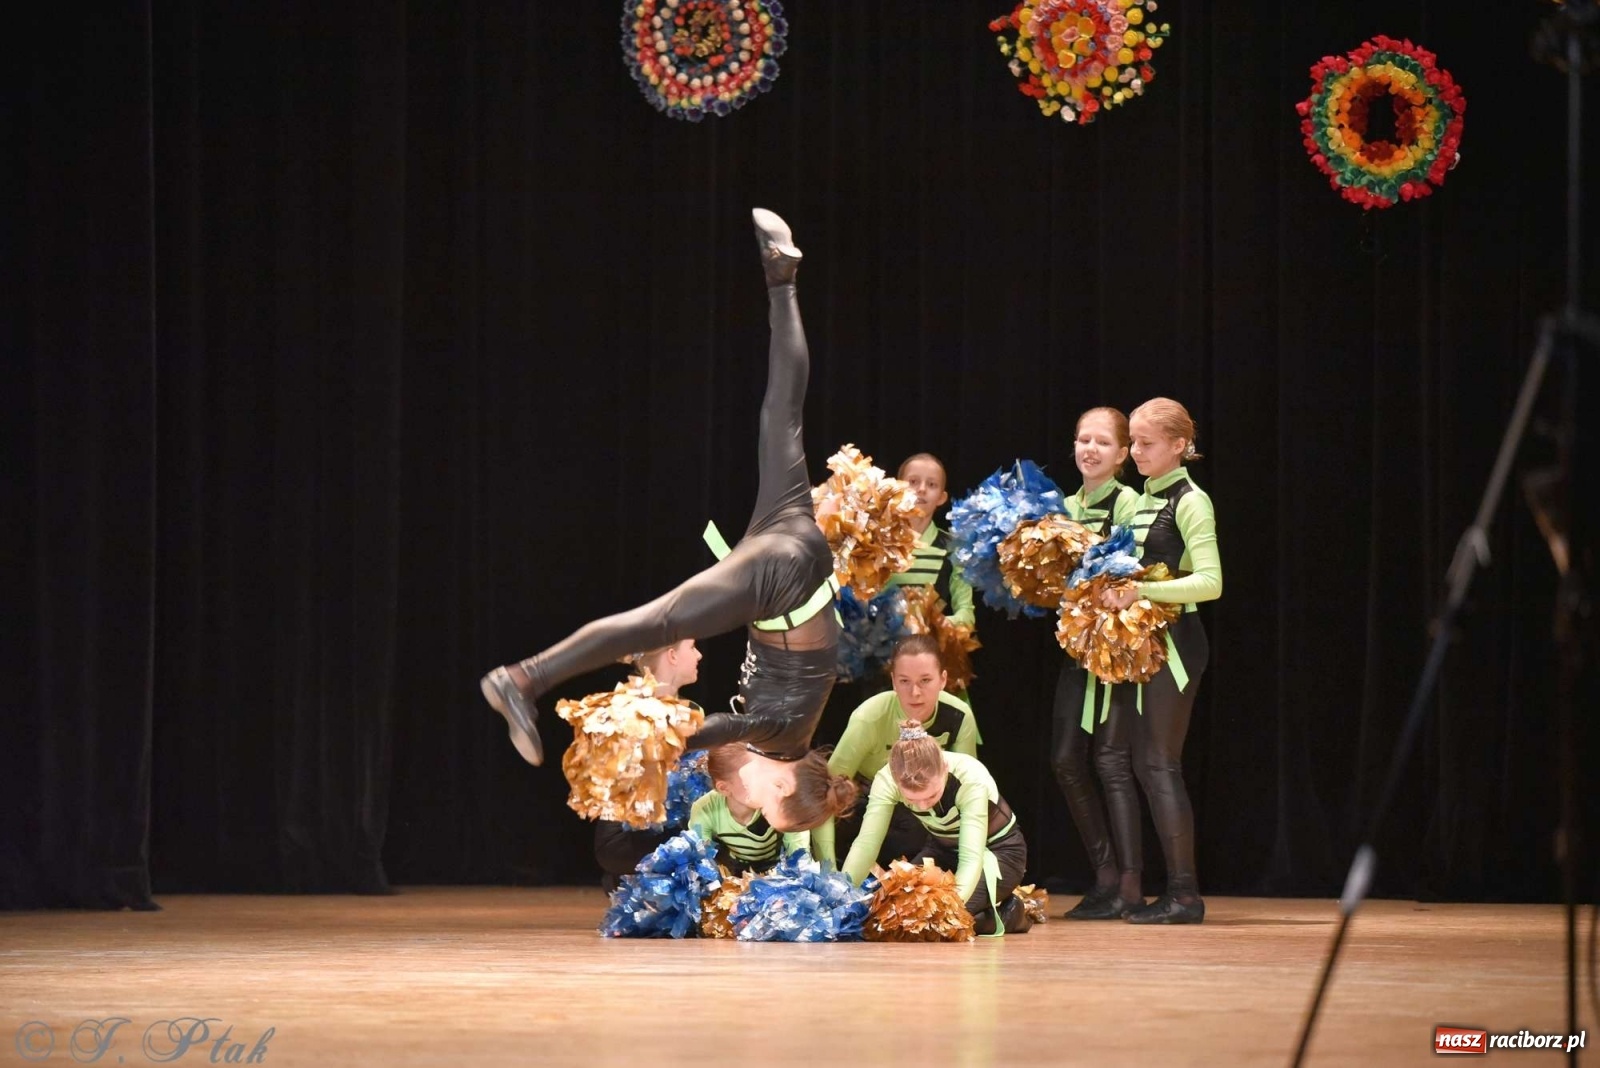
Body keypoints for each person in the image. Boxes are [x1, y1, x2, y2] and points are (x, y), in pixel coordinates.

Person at [478, 209, 851, 832]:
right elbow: (704, 729)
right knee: (657, 620)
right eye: (764, 806)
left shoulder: (789, 735)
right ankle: (521, 679)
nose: (749, 805)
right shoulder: (785, 734)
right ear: (785, 780)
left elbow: (717, 733)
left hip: (793, 551)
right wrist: (648, 751)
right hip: (783, 579)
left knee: (781, 413)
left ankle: (781, 277)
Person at [1097, 397, 1221, 924]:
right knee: (1134, 763)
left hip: (1177, 647)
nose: (1138, 451)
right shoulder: (1143, 498)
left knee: (1158, 764)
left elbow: (1211, 582)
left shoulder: (1192, 500)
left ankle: (1185, 895)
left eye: (1147, 444)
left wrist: (1143, 593)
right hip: (1143, 644)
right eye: (1136, 442)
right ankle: (1147, 889)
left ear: (1178, 446)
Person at [1049, 407, 1145, 919]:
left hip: (1118, 655)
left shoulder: (1130, 503)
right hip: (1076, 653)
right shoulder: (1059, 508)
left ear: (1123, 454)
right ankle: (1106, 878)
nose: (1090, 449)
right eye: (1083, 439)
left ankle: (1129, 886)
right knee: (1066, 760)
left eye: (1103, 442)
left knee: (1112, 764)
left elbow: (1132, 571)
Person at [842, 726, 1032, 936]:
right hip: (941, 850)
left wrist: (948, 910)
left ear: (944, 767)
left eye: (931, 796)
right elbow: (866, 844)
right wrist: (840, 894)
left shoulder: (970, 777)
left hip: (998, 853)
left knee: (930, 922)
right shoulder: (886, 778)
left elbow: (971, 858)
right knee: (888, 912)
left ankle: (1011, 915)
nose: (923, 807)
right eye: (912, 800)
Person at [828, 635, 979, 867]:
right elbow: (828, 790)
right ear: (893, 682)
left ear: (943, 679)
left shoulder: (959, 716)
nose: (915, 692)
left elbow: (965, 790)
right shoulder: (868, 717)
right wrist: (825, 869)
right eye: (905, 681)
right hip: (867, 798)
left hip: (923, 804)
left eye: (925, 680)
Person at [593, 640, 704, 891]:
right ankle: (628, 879)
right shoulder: (627, 708)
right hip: (625, 837)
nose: (699, 654)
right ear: (672, 655)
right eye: (692, 647)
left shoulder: (692, 711)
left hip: (670, 827)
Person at [689, 744, 840, 874]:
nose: (764, 783)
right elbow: (700, 860)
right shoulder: (705, 809)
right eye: (750, 779)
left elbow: (798, 854)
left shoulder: (779, 803)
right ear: (724, 788)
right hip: (737, 869)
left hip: (777, 866)